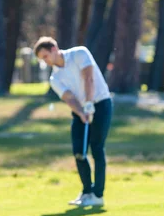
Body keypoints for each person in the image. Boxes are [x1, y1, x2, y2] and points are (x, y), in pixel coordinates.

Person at [33, 37, 112, 207]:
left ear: (54, 48)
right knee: (79, 150)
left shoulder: (79, 53)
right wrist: (82, 112)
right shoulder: (55, 78)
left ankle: (98, 195)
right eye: (42, 59)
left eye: (45, 56)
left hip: (101, 103)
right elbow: (69, 98)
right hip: (81, 110)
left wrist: (90, 103)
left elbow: (89, 78)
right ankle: (86, 192)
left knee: (96, 147)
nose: (45, 62)